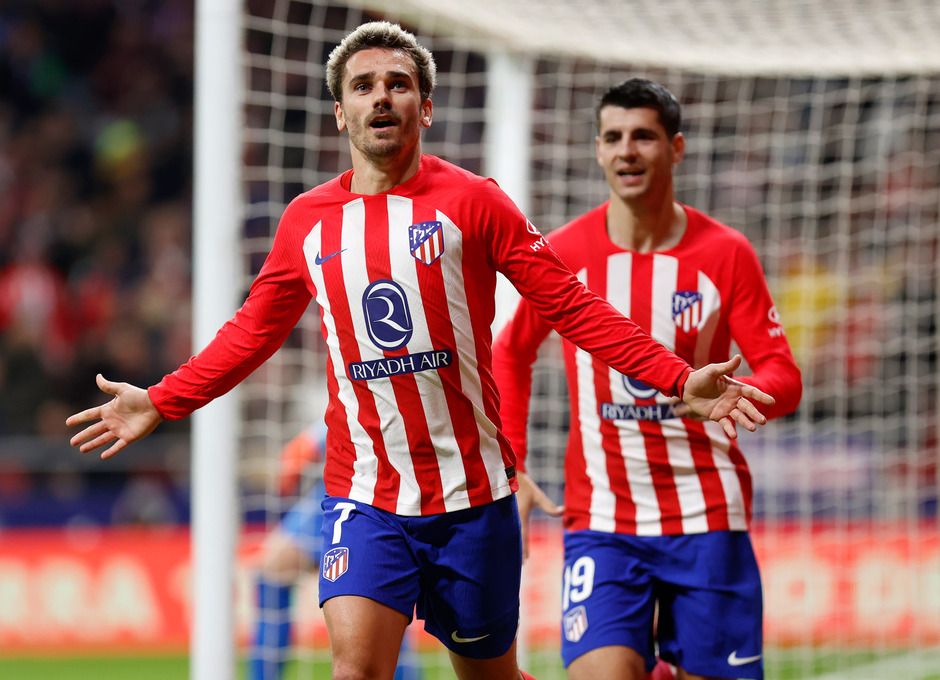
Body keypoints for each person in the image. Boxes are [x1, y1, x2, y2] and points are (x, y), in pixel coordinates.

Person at [67, 24, 775, 680]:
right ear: (340, 114)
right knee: (356, 669)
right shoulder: (307, 223)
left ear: (425, 109)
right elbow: (252, 332)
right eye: (364, 86)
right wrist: (162, 399)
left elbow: (572, 305)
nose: (381, 96)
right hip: (364, 493)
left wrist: (676, 376)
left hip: (473, 499)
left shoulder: (475, 203)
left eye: (398, 84)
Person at [492, 78, 802, 680]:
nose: (626, 151)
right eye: (613, 138)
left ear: (676, 148)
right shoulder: (565, 253)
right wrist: (514, 465)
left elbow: (783, 374)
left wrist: (741, 395)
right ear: (598, 151)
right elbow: (510, 351)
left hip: (706, 514)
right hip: (602, 519)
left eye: (643, 136)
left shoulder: (725, 253)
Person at [250, 421, 421, 680]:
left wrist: (311, 440)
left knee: (381, 596)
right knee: (272, 571)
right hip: (340, 484)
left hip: (378, 486)